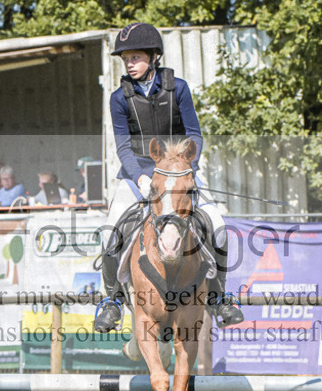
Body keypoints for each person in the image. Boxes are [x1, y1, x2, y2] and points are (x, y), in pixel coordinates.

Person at [93, 22, 244, 333]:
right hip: (138, 178)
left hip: (179, 175)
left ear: (153, 56)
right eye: (126, 59)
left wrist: (185, 167)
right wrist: (140, 179)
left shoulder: (179, 88)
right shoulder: (118, 98)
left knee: (219, 228)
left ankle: (218, 297)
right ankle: (112, 301)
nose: (129, 63)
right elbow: (122, 147)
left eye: (135, 57)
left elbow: (195, 135)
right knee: (110, 232)